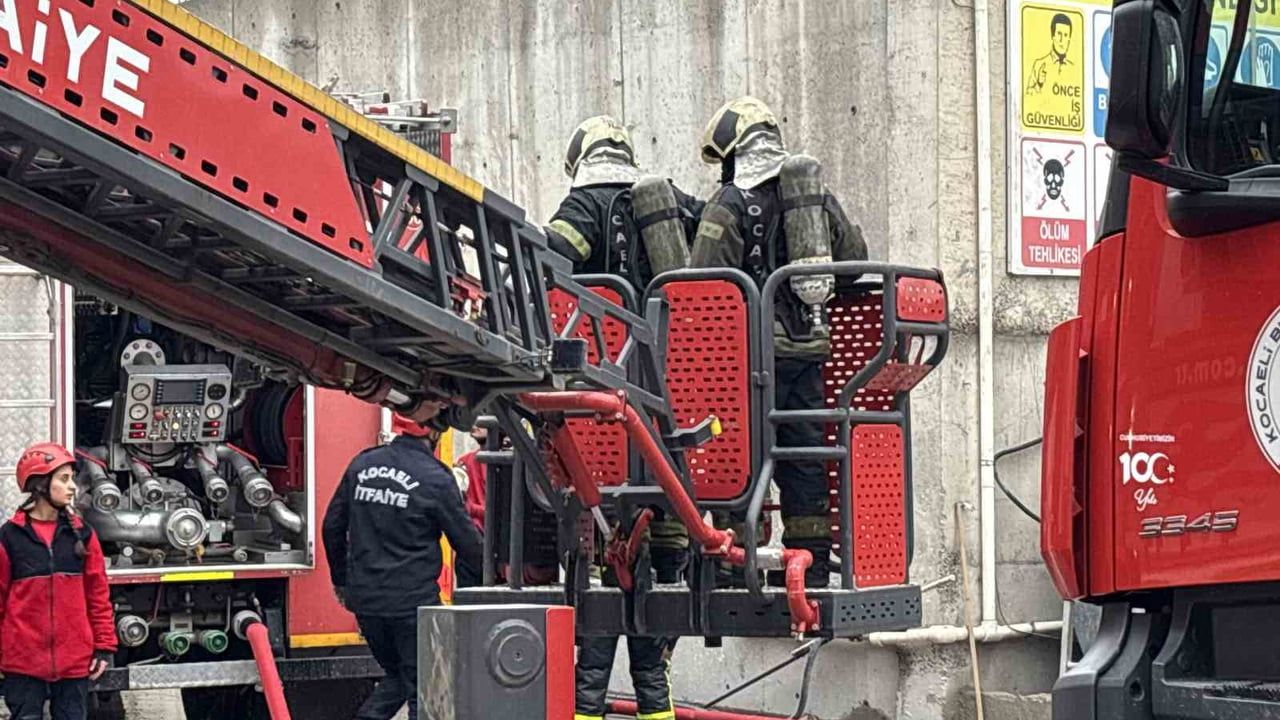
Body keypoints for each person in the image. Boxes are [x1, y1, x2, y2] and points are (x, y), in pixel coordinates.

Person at [545, 115, 697, 720]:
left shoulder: (581, 207)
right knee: (663, 500)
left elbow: (551, 258)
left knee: (600, 551)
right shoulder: (666, 204)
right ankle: (669, 563)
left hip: (600, 390)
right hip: (665, 388)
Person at [691, 96, 868, 589]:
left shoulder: (728, 204)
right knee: (805, 456)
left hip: (748, 361)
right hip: (809, 352)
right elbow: (854, 262)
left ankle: (733, 565)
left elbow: (702, 281)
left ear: (733, 153)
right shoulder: (813, 198)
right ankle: (808, 564)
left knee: (739, 456)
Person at [322, 418, 483, 720]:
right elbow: (468, 545)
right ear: (436, 431)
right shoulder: (435, 478)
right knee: (427, 688)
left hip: (367, 604)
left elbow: (331, 526)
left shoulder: (362, 465)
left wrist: (342, 582)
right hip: (413, 605)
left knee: (398, 676)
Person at [0, 442, 114, 720]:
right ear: (40, 484)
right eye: (64, 479)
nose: (73, 486)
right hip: (23, 664)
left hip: (74, 664)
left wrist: (104, 647)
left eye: (72, 478)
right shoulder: (10, 538)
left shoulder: (83, 536)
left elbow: (97, 596)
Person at [452, 425, 489, 533]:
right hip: (472, 537)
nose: (474, 425)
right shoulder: (464, 462)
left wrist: (471, 508)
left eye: (481, 418)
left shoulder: (509, 465)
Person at [1027, 13, 1074, 95]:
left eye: (1066, 35)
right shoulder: (1039, 65)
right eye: (1059, 34)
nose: (1062, 40)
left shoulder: (1073, 68)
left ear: (1069, 40)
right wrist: (1039, 84)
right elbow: (1027, 97)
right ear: (1053, 36)